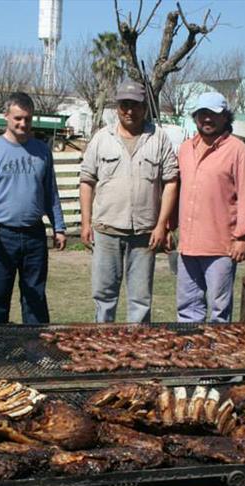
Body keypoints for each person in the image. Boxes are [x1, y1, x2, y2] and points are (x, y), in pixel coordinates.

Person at [79, 80, 178, 323]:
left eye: (135, 105)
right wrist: (86, 223)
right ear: (117, 107)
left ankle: (138, 343)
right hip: (106, 230)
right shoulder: (102, 138)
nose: (129, 111)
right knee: (104, 296)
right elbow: (86, 181)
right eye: (124, 105)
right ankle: (103, 341)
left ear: (145, 108)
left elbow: (171, 182)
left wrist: (161, 225)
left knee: (141, 299)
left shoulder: (159, 138)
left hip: (144, 233)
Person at [0, 92, 66, 324]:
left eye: (28, 119)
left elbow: (50, 192)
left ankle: (35, 345)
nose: (23, 123)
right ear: (6, 116)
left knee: (35, 299)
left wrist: (59, 227)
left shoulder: (42, 151)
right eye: (18, 118)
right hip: (1, 235)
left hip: (34, 235)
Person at [176, 92, 245, 323]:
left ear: (225, 117)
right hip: (188, 244)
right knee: (187, 307)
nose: (207, 119)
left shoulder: (238, 151)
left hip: (221, 246)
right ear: (195, 117)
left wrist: (243, 237)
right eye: (202, 114)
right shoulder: (185, 149)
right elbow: (177, 189)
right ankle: (190, 344)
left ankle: (217, 345)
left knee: (218, 310)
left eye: (213, 114)